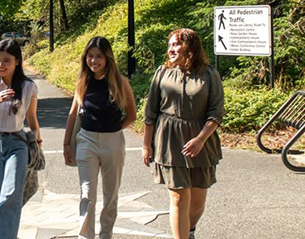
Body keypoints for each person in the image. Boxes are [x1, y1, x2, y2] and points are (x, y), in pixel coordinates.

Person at [142, 28, 225, 239]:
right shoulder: (162, 72)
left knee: (197, 201)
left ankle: (189, 231)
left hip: (201, 142)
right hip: (170, 140)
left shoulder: (209, 74)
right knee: (178, 198)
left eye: (176, 44)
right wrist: (146, 145)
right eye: (169, 45)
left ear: (190, 47)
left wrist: (200, 139)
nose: (171, 49)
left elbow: (216, 113)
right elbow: (150, 112)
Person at [62, 36, 136, 239]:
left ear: (108, 58)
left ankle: (106, 235)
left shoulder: (121, 83)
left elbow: (132, 115)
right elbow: (72, 114)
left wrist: (114, 129)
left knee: (110, 195)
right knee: (87, 193)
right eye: (90, 56)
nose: (93, 61)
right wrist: (67, 143)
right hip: (86, 140)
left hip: (113, 142)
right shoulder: (83, 82)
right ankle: (85, 236)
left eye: (99, 57)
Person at [0, 39, 41, 239]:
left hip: (17, 143)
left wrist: (37, 142)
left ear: (17, 62)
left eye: (7, 61)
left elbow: (31, 118)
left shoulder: (29, 87)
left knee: (10, 195)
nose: (1, 65)